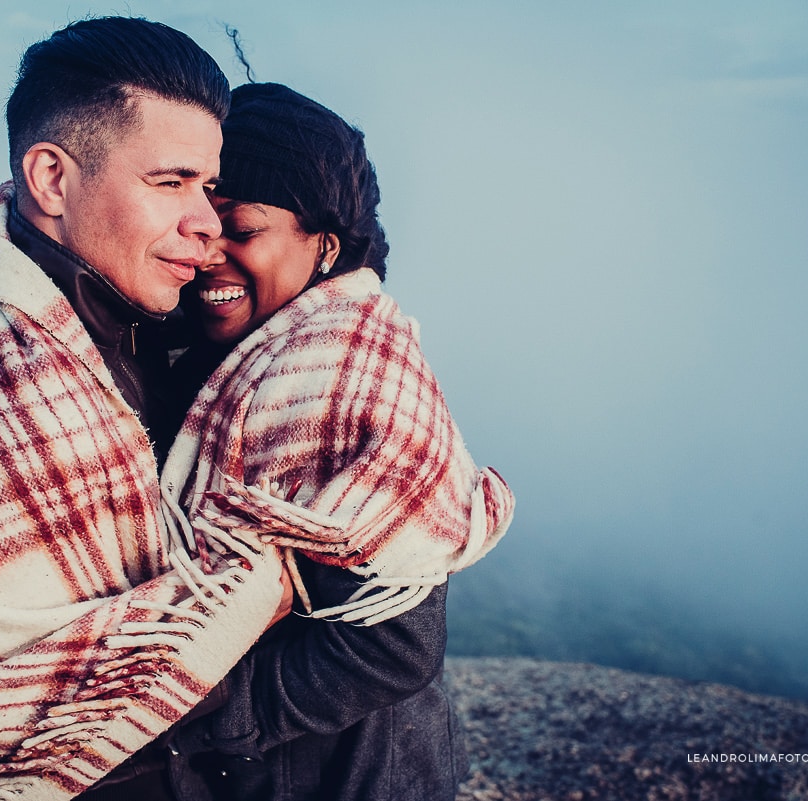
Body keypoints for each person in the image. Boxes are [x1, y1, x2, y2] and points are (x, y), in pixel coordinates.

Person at [0, 18, 287, 801]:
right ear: (52, 181)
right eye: (170, 182)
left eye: (209, 187)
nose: (206, 222)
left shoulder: (149, 334)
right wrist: (260, 584)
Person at [155, 82, 516, 801]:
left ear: (323, 243)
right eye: (201, 227)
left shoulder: (343, 378)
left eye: (245, 230)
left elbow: (397, 644)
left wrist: (209, 716)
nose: (211, 255)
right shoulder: (232, 356)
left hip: (347, 776)